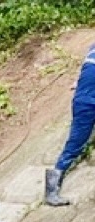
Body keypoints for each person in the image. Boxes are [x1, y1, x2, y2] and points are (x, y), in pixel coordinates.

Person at [46, 42, 95, 206]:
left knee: (76, 143)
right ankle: (52, 185)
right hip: (87, 104)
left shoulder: (92, 50)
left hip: (82, 99)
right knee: (75, 144)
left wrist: (78, 83)